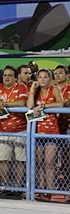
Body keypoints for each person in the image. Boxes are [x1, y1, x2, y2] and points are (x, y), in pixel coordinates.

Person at [0, 65, 28, 195]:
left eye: (10, 75)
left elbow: (22, 103)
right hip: (3, 131)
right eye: (5, 75)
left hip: (20, 130)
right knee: (2, 159)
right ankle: (6, 187)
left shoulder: (21, 87)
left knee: (20, 160)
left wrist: (4, 103)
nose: (6, 77)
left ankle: (17, 188)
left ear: (15, 78)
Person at [27, 69, 63, 197]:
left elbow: (61, 103)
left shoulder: (54, 89)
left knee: (49, 162)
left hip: (51, 132)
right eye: (40, 77)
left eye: (45, 77)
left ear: (50, 79)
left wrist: (44, 106)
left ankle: (50, 190)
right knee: (39, 162)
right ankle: (41, 189)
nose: (42, 79)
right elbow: (29, 105)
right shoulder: (35, 91)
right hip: (37, 132)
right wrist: (32, 88)